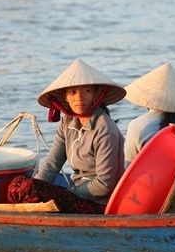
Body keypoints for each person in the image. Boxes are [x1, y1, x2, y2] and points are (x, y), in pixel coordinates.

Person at [7, 59, 126, 214]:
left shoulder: (105, 128)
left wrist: (69, 194)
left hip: (98, 204)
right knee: (18, 184)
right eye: (73, 92)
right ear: (66, 97)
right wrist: (30, 189)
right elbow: (52, 165)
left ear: (97, 95)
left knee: (29, 188)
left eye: (87, 91)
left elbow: (104, 184)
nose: (79, 98)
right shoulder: (67, 122)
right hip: (75, 195)